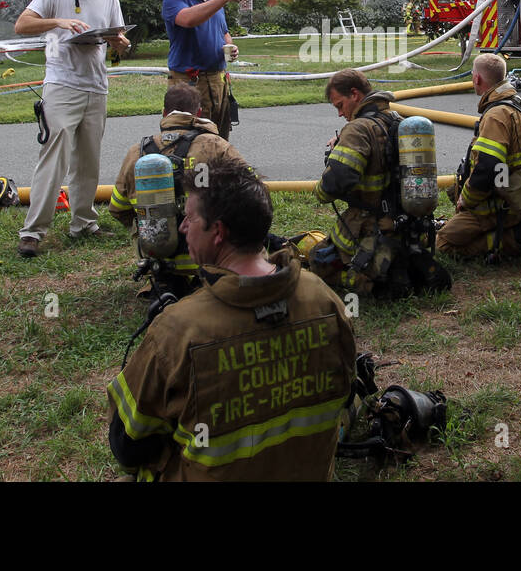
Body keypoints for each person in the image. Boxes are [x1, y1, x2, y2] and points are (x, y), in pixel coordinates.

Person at [106, 159, 357, 481]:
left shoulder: (179, 330)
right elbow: (346, 391)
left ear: (218, 233)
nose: (183, 227)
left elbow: (128, 446)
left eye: (191, 218)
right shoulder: (324, 299)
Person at [15, 0, 130, 258]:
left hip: (96, 86)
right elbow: (22, 24)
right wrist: (59, 22)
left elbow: (118, 46)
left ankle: (83, 222)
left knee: (88, 161)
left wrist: (119, 43)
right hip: (62, 85)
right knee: (55, 157)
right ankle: (33, 231)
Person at [312, 69, 450, 297]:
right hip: (407, 224)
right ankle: (412, 261)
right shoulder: (398, 121)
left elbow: (338, 180)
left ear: (355, 94)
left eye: (339, 105)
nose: (340, 114)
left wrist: (320, 192)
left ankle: (378, 281)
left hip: (372, 225)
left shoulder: (357, 129)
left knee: (318, 260)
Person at [109, 84, 247, 295]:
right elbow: (253, 195)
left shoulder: (137, 153)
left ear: (164, 113)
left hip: (158, 257)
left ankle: (165, 281)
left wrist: (144, 226)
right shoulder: (218, 146)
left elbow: (117, 208)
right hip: (209, 257)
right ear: (199, 112)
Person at [437, 53, 521, 263]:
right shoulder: (516, 103)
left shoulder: (496, 115)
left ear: (477, 79)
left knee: (443, 243)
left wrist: (467, 199)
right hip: (515, 192)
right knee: (452, 196)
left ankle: (515, 237)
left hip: (496, 203)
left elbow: (489, 168)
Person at [162, 0, 247, 142]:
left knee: (218, 139)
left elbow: (223, 31)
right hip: (188, 83)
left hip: (218, 81)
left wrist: (231, 47)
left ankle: (217, 173)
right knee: (189, 141)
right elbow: (188, 20)